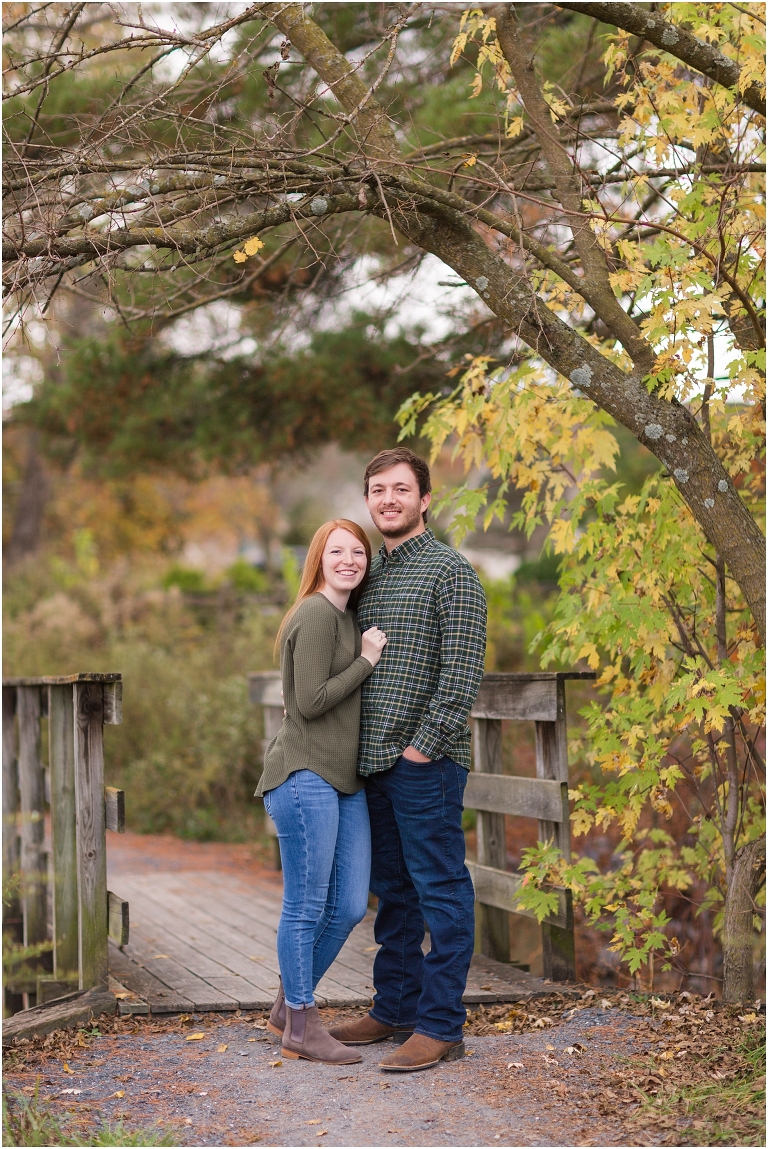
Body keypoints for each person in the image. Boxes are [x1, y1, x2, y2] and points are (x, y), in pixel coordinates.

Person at [329, 447, 487, 1072]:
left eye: (400, 489)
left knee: (440, 888)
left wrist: (423, 747)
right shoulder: (368, 575)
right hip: (370, 764)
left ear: (424, 500)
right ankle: (394, 1008)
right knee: (393, 893)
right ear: (367, 500)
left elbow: (463, 672)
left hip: (427, 763)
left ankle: (442, 1024)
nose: (388, 499)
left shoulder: (452, 572)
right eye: (377, 490)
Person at [256, 519, 387, 1064]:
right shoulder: (314, 613)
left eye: (358, 551)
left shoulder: (347, 616)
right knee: (306, 903)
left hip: (344, 778)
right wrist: (368, 660)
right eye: (338, 551)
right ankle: (303, 1026)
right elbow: (308, 702)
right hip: (303, 773)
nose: (349, 560)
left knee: (351, 903)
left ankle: (289, 1006)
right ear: (319, 557)